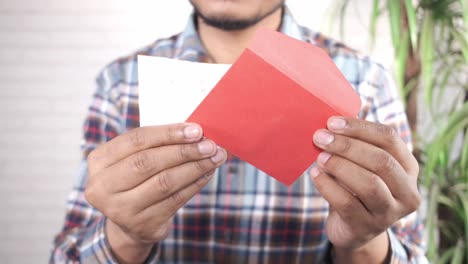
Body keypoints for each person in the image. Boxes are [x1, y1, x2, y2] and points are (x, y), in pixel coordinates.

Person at [51, 1, 427, 263]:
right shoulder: (121, 83)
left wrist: (365, 242)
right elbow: (65, 255)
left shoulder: (366, 83)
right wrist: (126, 237)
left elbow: (413, 251)